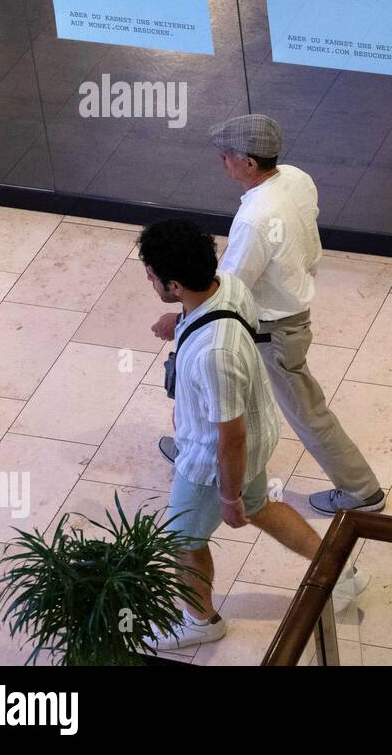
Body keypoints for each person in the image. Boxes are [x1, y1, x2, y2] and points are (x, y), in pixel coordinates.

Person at [137, 219, 363, 650]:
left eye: (152, 277)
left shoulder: (214, 353)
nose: (148, 281)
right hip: (260, 432)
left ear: (176, 283)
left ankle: (201, 622)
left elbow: (230, 435)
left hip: (211, 460)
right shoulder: (229, 288)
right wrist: (178, 319)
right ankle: (339, 570)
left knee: (183, 540)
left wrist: (228, 496)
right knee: (261, 505)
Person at [152, 114, 385, 515]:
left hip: (269, 330)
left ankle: (362, 491)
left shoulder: (255, 220)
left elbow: (227, 287)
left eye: (226, 156)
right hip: (282, 316)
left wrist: (179, 321)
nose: (221, 162)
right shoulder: (295, 178)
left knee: (302, 410)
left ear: (249, 164)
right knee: (212, 392)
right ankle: (193, 448)